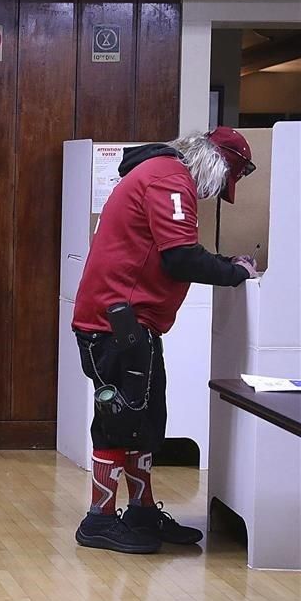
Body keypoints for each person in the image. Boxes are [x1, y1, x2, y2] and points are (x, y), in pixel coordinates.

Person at [71, 127, 258, 554]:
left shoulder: (157, 173)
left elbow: (171, 250)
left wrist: (225, 263)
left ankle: (140, 512)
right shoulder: (170, 179)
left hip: (126, 322)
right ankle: (98, 520)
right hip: (119, 323)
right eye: (221, 183)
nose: (213, 193)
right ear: (214, 164)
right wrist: (235, 272)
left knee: (145, 421)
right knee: (120, 420)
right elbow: (180, 257)